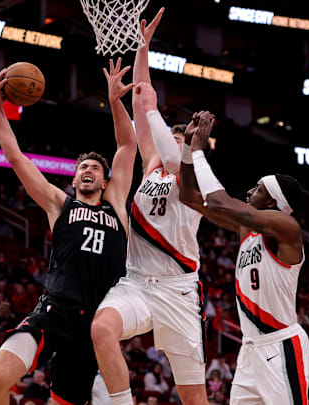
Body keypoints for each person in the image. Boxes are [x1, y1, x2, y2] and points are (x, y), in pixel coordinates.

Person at [0, 58, 135, 405]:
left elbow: (127, 147)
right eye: (82, 167)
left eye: (95, 168)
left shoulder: (115, 206)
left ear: (106, 180)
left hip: (95, 326)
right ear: (74, 177)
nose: (87, 171)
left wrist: (114, 102)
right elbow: (17, 157)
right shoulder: (59, 204)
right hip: (54, 311)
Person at [91, 10, 209, 405]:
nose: (169, 142)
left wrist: (160, 116)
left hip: (179, 293)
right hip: (138, 284)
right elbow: (142, 100)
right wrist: (143, 47)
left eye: (177, 139)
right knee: (102, 328)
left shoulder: (194, 175)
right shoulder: (153, 166)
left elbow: (154, 116)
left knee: (194, 399)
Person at [176, 110, 309, 405]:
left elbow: (219, 200)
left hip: (280, 346)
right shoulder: (247, 229)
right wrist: (186, 147)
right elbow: (189, 198)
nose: (249, 191)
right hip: (249, 352)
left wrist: (199, 153)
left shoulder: (286, 227)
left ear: (272, 201)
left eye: (257, 188)